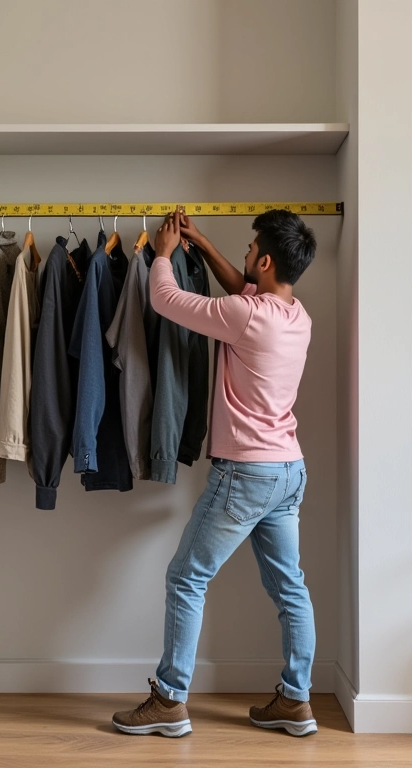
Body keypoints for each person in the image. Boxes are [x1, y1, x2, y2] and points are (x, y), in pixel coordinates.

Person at [112, 208, 318, 739]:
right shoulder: (296, 315)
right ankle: (296, 700)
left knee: (186, 577)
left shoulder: (245, 315)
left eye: (251, 250)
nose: (245, 257)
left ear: (265, 261)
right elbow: (245, 289)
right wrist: (201, 243)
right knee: (290, 589)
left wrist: (163, 255)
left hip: (246, 473)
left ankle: (169, 700)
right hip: (288, 470)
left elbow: (166, 300)